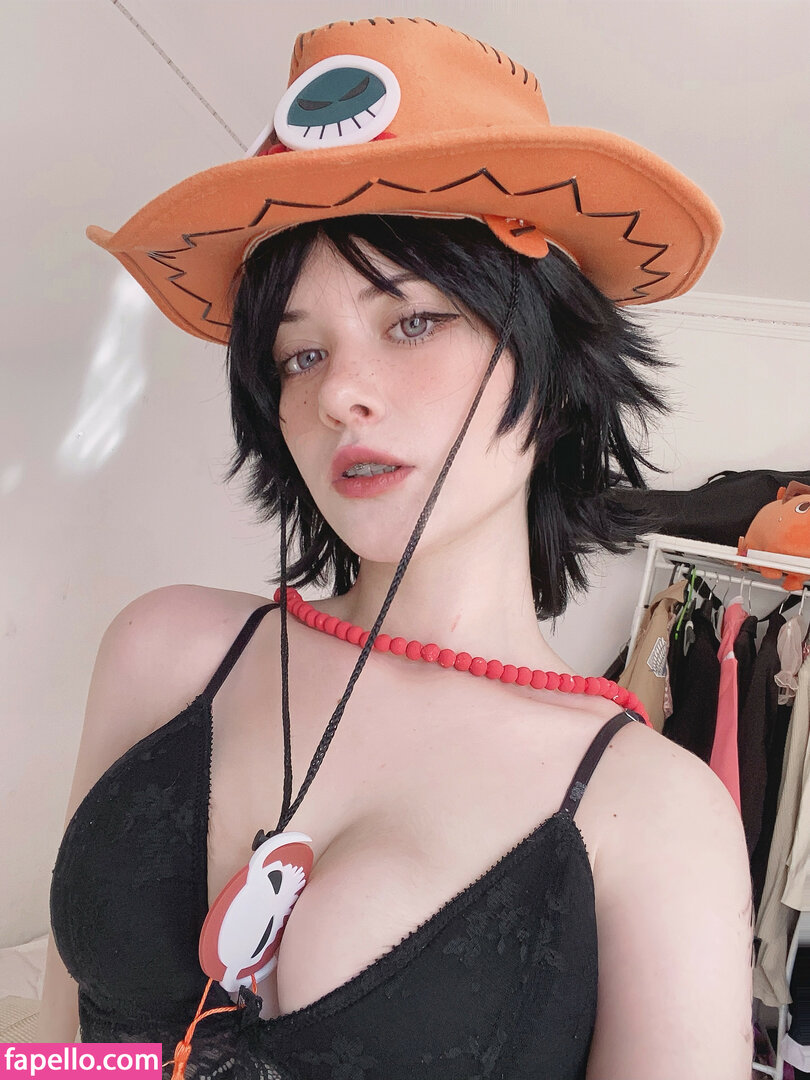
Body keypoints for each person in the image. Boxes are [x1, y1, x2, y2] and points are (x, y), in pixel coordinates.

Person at [40, 16, 754, 1079]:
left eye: (412, 321)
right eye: (298, 354)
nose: (339, 393)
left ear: (556, 377)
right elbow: (57, 1040)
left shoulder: (652, 815)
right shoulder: (166, 652)